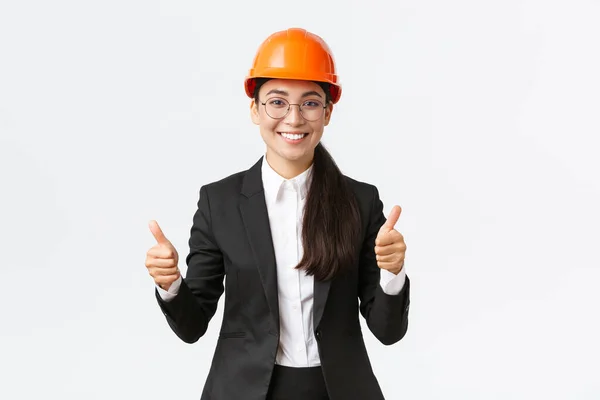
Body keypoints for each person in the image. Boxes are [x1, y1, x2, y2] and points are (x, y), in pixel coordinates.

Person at [144, 27, 410, 400]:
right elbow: (192, 327)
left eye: (310, 102)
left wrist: (393, 274)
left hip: (338, 389)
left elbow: (388, 331)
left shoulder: (359, 201)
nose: (294, 118)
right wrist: (170, 284)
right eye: (278, 101)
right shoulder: (219, 203)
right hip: (245, 390)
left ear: (328, 112)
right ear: (255, 109)